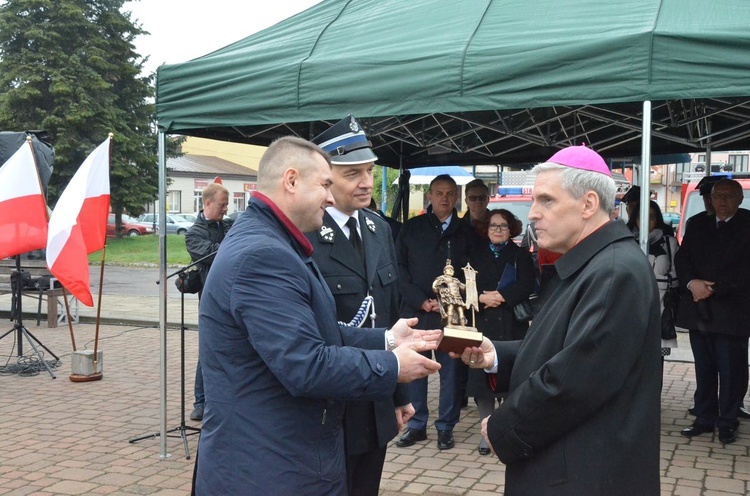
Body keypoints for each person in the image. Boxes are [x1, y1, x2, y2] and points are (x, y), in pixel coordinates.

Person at [192, 136, 442, 495]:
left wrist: (388, 339)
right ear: (291, 181)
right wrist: (393, 367)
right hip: (268, 468)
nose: (329, 196)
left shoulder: (275, 240)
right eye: (325, 184)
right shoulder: (263, 255)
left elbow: (320, 330)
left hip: (280, 457)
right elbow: (305, 364)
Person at [456, 144, 661, 495]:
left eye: (547, 201)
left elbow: (572, 382)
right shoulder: (593, 263)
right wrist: (497, 356)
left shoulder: (614, 272)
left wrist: (502, 428)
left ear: (588, 204)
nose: (533, 214)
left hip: (587, 474)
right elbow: (561, 348)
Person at [307, 115, 411, 496]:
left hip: (375, 398)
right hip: (330, 402)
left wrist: (399, 394)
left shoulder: (377, 228)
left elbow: (392, 313)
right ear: (325, 177)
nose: (366, 182)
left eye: (369, 170)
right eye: (353, 173)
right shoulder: (307, 235)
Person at [395, 174, 472, 451]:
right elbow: (399, 268)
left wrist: (454, 299)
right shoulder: (412, 228)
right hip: (417, 311)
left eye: (450, 193)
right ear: (429, 196)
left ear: (456, 197)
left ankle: (446, 427)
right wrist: (420, 300)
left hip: (451, 313)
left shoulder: (466, 231)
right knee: (415, 369)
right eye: (438, 193)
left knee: (450, 371)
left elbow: (472, 274)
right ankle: (416, 426)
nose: (444, 198)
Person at [675, 178, 750, 444]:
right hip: (699, 308)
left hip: (732, 312)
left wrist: (713, 289)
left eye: (729, 196)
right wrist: (692, 283)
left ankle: (727, 421)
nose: (721, 201)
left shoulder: (747, 225)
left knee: (731, 371)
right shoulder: (697, 224)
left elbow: (746, 269)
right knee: (704, 368)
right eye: (718, 196)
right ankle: (704, 418)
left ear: (740, 199)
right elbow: (682, 259)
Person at [466, 208, 534, 455]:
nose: (497, 230)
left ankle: (505, 430)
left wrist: (503, 296)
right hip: (483, 322)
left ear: (511, 229)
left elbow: (527, 284)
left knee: (511, 379)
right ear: (486, 228)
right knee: (482, 381)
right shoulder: (473, 255)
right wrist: (482, 297)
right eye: (493, 225)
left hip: (511, 324)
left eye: (503, 226)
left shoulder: (520, 255)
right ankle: (486, 433)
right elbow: (464, 286)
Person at [184, 183, 231, 422]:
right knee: (208, 351)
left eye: (226, 205)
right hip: (210, 301)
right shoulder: (193, 233)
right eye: (222, 205)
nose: (226, 209)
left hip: (232, 297)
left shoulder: (229, 225)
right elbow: (213, 254)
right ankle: (200, 402)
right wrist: (233, 246)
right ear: (207, 203)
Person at [631, 200, 679, 360]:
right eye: (640, 217)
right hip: (631, 308)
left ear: (657, 219)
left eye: (650, 217)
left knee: (656, 360)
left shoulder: (669, 243)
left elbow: (676, 275)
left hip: (660, 308)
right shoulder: (627, 241)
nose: (644, 221)